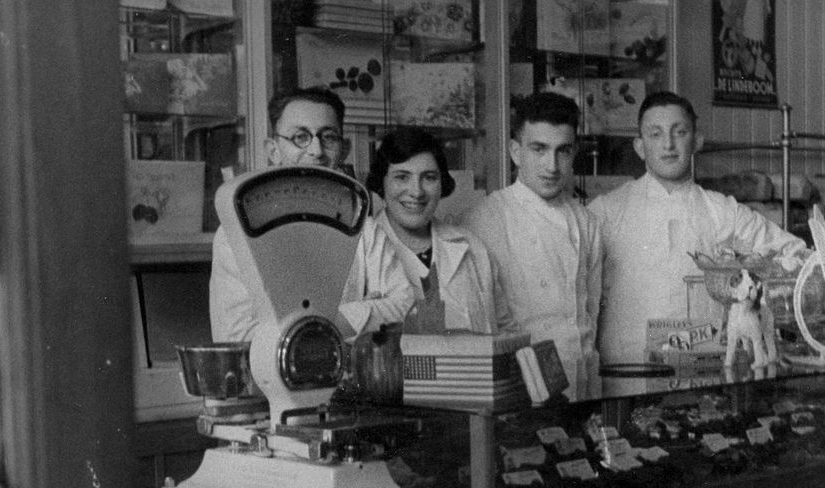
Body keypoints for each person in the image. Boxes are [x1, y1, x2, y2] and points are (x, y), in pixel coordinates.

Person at [588, 91, 807, 365]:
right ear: (640, 147)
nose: (668, 145)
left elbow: (794, 252)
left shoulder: (722, 210)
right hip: (627, 373)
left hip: (706, 373)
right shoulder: (606, 211)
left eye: (679, 132)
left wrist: (752, 269)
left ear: (697, 141)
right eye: (655, 134)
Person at [209, 87, 412, 342]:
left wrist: (323, 322)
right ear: (273, 150)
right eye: (300, 137)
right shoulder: (236, 231)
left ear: (344, 148)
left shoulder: (365, 229)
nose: (316, 150)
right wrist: (356, 316)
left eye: (328, 137)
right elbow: (236, 336)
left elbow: (405, 305)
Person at [461, 92, 601, 400]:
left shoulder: (586, 221)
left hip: (585, 382)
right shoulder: (486, 219)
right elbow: (487, 324)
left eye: (562, 151)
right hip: (522, 388)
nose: (551, 166)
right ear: (515, 151)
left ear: (574, 152)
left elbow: (591, 313)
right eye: (538, 149)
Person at [365, 127, 516, 333]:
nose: (416, 192)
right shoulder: (362, 252)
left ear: (442, 183)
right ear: (381, 182)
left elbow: (507, 333)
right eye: (402, 177)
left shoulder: (472, 248)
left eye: (429, 177)